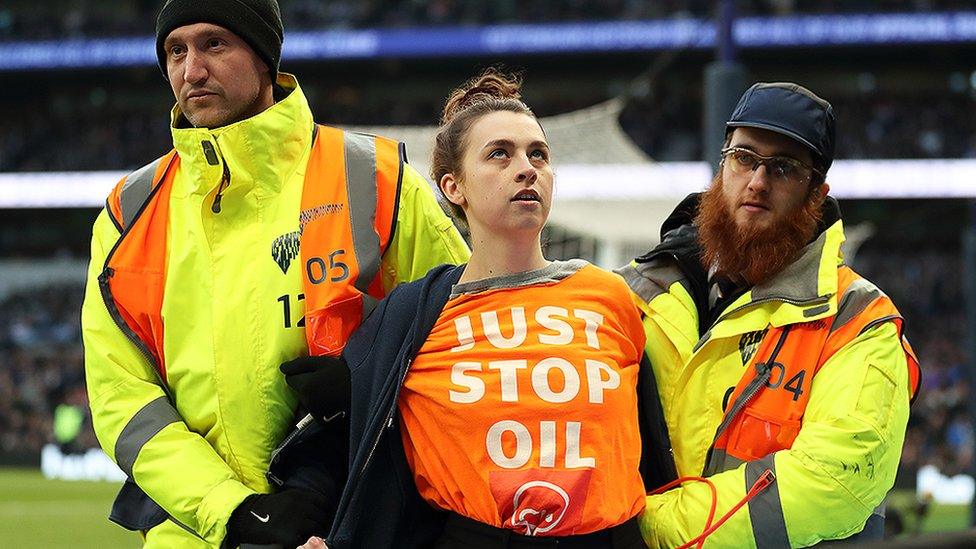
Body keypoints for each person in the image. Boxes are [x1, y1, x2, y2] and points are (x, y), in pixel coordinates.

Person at [80, 0, 469, 547]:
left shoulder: (377, 180)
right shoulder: (129, 212)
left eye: (215, 43)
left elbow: (468, 334)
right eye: (176, 50)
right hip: (198, 534)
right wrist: (233, 511)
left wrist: (372, 379)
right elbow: (122, 396)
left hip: (350, 524)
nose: (191, 70)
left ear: (265, 57)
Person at [283, 69, 675, 549]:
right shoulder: (411, 318)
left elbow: (650, 446)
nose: (527, 167)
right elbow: (342, 443)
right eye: (499, 154)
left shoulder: (608, 296)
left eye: (538, 154)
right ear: (454, 187)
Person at [617, 82, 921, 547]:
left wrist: (650, 527)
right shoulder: (635, 291)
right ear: (722, 165)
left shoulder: (859, 321)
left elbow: (831, 483)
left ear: (816, 194)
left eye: (782, 167)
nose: (757, 181)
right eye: (744, 157)